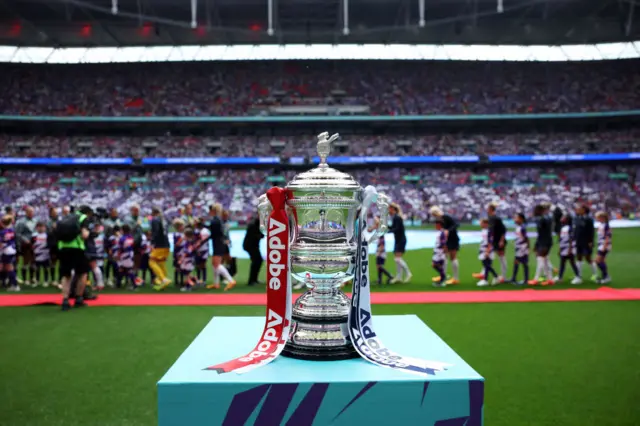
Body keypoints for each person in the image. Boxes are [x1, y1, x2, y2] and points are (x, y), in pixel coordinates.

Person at [57, 205, 92, 311]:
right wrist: (91, 233)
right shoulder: (83, 218)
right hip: (77, 247)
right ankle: (79, 298)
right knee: (82, 273)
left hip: (63, 247)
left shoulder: (67, 217)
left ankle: (65, 300)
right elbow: (84, 235)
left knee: (66, 275)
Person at [207, 203, 236, 291]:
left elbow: (213, 233)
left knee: (217, 264)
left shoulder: (215, 220)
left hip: (218, 243)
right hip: (220, 243)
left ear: (213, 211)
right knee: (214, 264)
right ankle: (216, 283)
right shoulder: (219, 220)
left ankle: (231, 280)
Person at [429, 206, 460, 285]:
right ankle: (443, 275)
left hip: (452, 239)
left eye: (433, 214)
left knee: (453, 258)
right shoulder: (441, 219)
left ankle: (455, 278)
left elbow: (456, 224)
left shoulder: (445, 216)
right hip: (446, 239)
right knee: (444, 258)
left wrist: (448, 231)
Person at [529, 204, 554, 286]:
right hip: (546, 241)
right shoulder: (547, 218)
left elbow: (542, 233)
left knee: (540, 259)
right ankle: (550, 279)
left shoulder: (541, 219)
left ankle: (536, 279)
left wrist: (538, 244)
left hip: (544, 241)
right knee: (545, 260)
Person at [573, 203, 598, 283]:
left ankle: (595, 274)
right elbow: (576, 231)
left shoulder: (589, 220)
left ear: (584, 210)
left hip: (586, 242)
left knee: (588, 258)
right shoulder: (577, 218)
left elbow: (591, 231)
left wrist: (590, 241)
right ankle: (578, 276)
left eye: (580, 209)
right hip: (578, 241)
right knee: (579, 257)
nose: (578, 210)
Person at [149, 207, 172, 291]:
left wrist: (152, 243)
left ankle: (163, 279)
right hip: (166, 244)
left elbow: (155, 232)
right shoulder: (164, 220)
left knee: (151, 262)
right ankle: (163, 280)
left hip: (159, 245)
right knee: (161, 262)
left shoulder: (155, 220)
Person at [388, 203, 412, 283]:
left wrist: (388, 231)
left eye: (389, 209)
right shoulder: (396, 217)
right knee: (397, 259)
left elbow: (397, 229)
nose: (388, 211)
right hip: (399, 239)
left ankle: (408, 273)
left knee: (397, 259)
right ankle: (399, 277)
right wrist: (386, 227)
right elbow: (393, 227)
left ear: (393, 209)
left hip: (400, 240)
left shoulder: (397, 217)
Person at [554, 214, 580, 284]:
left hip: (568, 249)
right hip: (563, 248)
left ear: (567, 220)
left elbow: (571, 239)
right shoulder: (562, 228)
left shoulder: (570, 228)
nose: (561, 218)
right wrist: (560, 249)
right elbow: (561, 240)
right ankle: (560, 277)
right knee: (562, 263)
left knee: (572, 262)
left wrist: (570, 249)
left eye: (563, 217)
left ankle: (578, 277)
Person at [15, 206, 37, 286]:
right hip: (25, 244)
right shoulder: (21, 222)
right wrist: (25, 240)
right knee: (25, 261)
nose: (31, 213)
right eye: (30, 211)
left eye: (32, 211)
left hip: (34, 243)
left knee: (33, 261)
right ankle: (24, 279)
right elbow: (18, 233)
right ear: (26, 212)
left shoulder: (35, 221)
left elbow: (36, 231)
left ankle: (32, 278)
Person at [487, 202, 507, 283]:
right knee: (490, 256)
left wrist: (501, 241)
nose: (487, 210)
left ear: (491, 209)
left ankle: (503, 276)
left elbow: (503, 230)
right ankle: (484, 273)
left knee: (501, 258)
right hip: (494, 241)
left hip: (499, 241)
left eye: (488, 209)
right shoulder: (490, 218)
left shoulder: (496, 219)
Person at [242, 211, 264, 286]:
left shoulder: (256, 222)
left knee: (257, 261)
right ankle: (251, 281)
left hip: (252, 245)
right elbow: (258, 235)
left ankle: (254, 279)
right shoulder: (255, 223)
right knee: (257, 261)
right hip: (251, 245)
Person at [118, 224, 142, 290]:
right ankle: (118, 284)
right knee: (122, 269)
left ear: (123, 230)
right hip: (130, 254)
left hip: (124, 255)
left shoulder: (122, 238)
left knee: (127, 270)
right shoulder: (131, 237)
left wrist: (118, 255)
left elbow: (120, 248)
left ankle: (134, 285)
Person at [476, 218, 498, 287]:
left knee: (487, 265)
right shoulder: (483, 230)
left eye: (481, 223)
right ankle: (485, 279)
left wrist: (488, 251)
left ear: (485, 224)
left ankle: (495, 277)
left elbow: (490, 242)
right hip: (484, 249)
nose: (480, 224)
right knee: (486, 265)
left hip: (487, 250)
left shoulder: (488, 231)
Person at [509, 213, 530, 285]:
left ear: (521, 219)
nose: (515, 219)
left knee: (523, 263)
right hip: (519, 247)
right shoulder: (518, 227)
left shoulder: (522, 227)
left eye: (516, 218)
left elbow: (526, 238)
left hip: (522, 248)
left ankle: (525, 280)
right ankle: (515, 278)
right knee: (518, 262)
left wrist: (526, 247)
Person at [0, 215, 19, 292]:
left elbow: (1, 243)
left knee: (9, 268)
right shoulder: (12, 230)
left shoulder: (2, 232)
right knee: (8, 267)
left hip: (6, 251)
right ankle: (11, 284)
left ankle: (14, 285)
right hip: (12, 250)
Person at [594, 211, 612, 284]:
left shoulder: (606, 225)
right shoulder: (601, 225)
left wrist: (604, 246)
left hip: (604, 245)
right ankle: (605, 276)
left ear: (602, 218)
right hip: (601, 245)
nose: (597, 219)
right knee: (601, 261)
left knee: (598, 261)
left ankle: (606, 276)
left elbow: (607, 237)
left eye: (598, 217)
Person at [32, 222, 51, 287]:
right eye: (39, 227)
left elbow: (49, 244)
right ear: (36, 228)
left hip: (45, 254)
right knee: (37, 268)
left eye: (42, 227)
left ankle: (46, 281)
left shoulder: (47, 235)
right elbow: (32, 243)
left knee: (46, 268)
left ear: (45, 228)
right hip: (37, 254)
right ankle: (37, 280)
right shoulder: (34, 235)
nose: (41, 229)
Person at [195, 218, 211, 286]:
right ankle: (198, 280)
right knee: (198, 265)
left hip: (204, 249)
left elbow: (206, 240)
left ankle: (204, 280)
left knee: (203, 265)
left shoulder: (205, 231)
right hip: (198, 250)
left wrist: (198, 244)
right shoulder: (196, 230)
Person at [432, 219, 448, 288]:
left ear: (439, 225)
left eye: (436, 224)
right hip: (438, 251)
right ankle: (442, 279)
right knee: (438, 266)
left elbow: (444, 243)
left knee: (435, 265)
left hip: (439, 252)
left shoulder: (442, 233)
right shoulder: (440, 232)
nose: (435, 226)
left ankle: (443, 278)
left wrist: (444, 251)